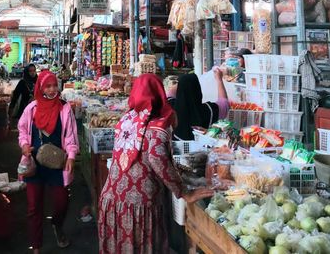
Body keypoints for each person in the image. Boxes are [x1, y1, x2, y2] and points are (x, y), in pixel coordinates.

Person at [98, 74, 213, 253]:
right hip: (140, 208)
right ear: (159, 93)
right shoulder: (159, 125)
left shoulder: (126, 120)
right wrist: (184, 192)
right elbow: (156, 157)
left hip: (112, 201)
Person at [18, 71, 79, 253]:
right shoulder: (32, 109)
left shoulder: (64, 108)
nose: (52, 90)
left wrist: (71, 156)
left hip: (58, 165)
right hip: (34, 165)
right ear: (41, 88)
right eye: (48, 86)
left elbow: (70, 136)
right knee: (33, 207)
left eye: (54, 85)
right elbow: (22, 130)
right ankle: (36, 245)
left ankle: (57, 224)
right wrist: (24, 146)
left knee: (62, 202)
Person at [174, 73, 229, 140]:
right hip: (203, 148)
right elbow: (224, 104)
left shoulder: (172, 108)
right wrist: (219, 79)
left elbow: (169, 93)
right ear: (198, 89)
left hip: (177, 149)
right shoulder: (207, 110)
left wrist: (182, 84)